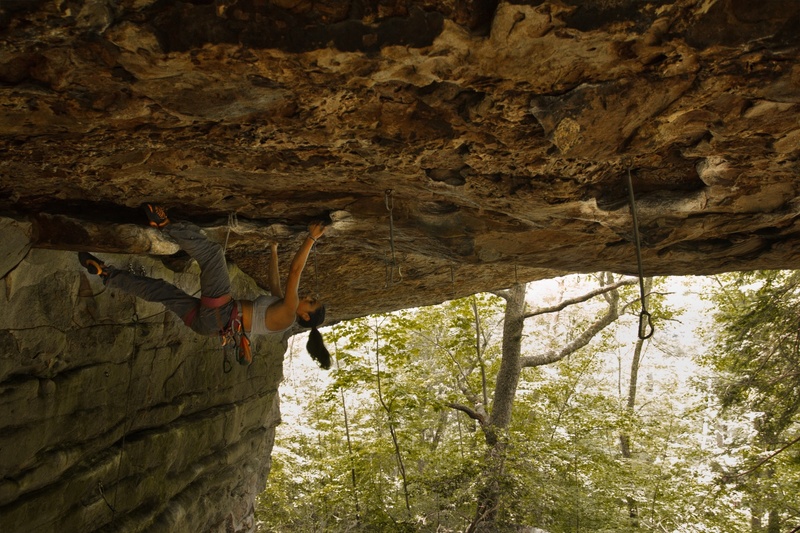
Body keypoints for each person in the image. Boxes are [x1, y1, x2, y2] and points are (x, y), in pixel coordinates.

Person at [78, 204, 331, 369]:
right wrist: (273, 250)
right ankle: (107, 273)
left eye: (310, 301)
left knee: (212, 255)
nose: (307, 296)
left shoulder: (288, 314)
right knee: (162, 291)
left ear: (304, 315)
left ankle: (166, 224)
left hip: (221, 314)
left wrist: (311, 237)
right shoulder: (282, 313)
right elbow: (275, 284)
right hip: (208, 326)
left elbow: (295, 271)